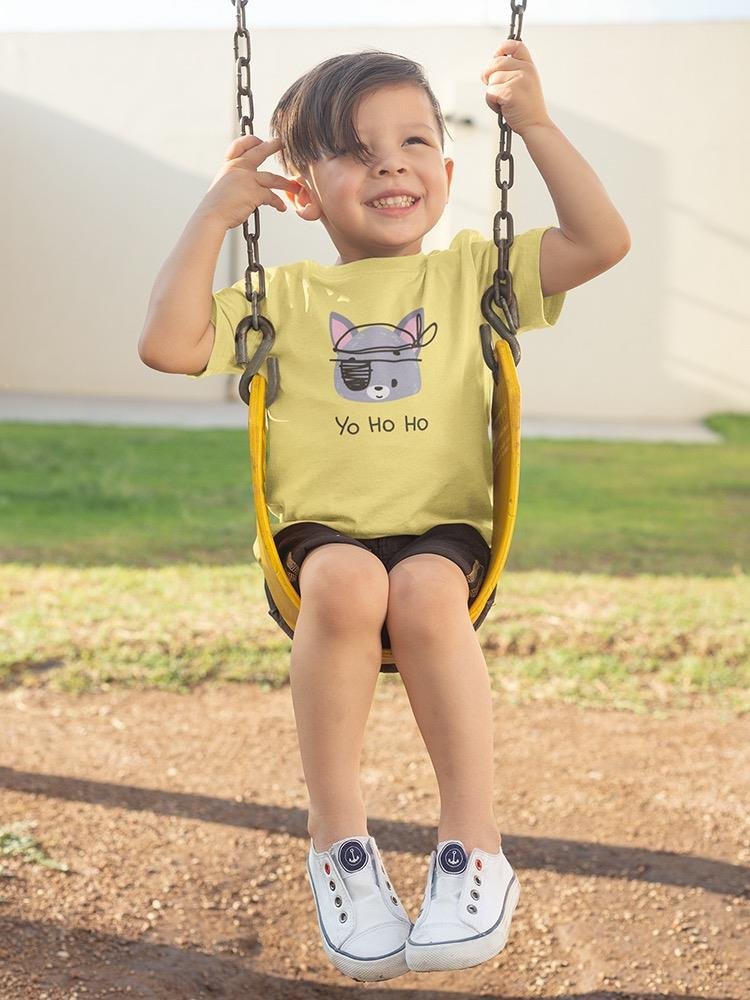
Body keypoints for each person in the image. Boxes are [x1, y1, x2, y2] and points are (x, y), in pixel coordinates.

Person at [139, 39, 630, 982]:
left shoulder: (470, 275)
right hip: (316, 538)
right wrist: (212, 212)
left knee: (426, 593)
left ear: (448, 172)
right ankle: (339, 845)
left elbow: (602, 242)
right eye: (357, 150)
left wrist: (532, 123)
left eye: (413, 141)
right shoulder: (280, 294)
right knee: (348, 578)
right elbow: (167, 345)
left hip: (444, 532)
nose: (391, 162)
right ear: (303, 192)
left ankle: (473, 848)